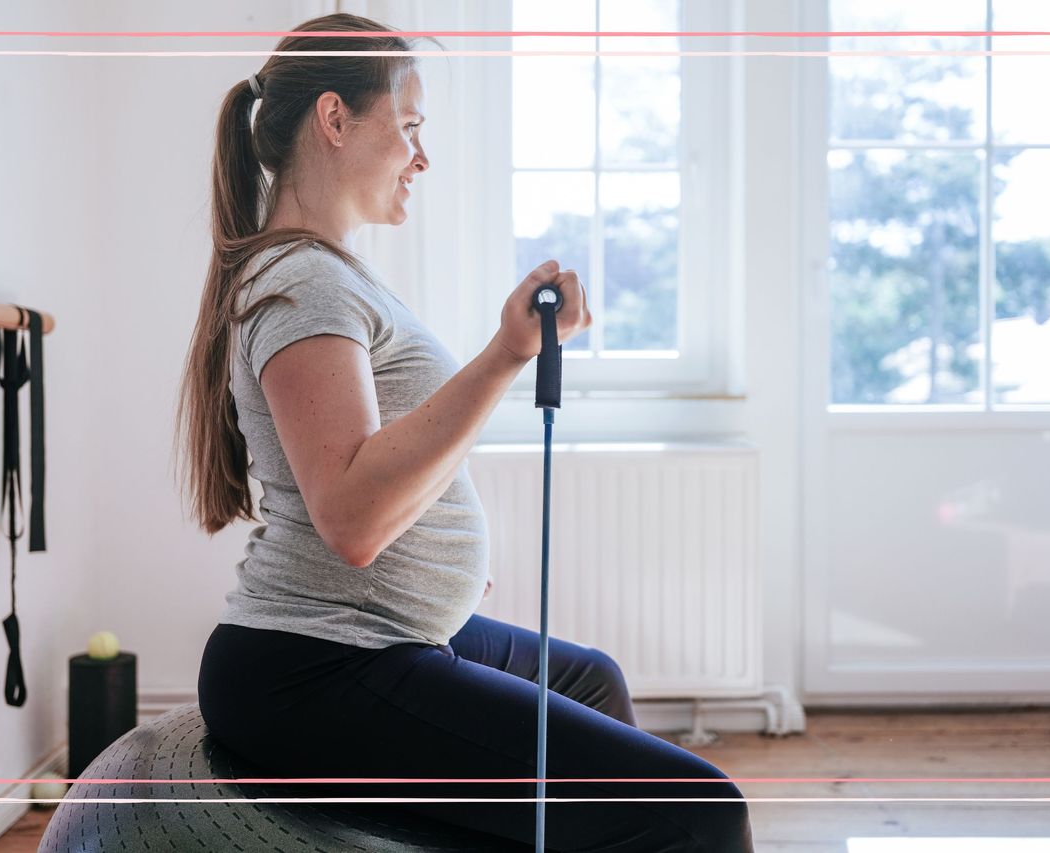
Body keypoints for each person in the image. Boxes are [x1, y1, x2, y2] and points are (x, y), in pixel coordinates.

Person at [175, 12, 755, 852]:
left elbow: (371, 472)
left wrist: (437, 560)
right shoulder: (303, 283)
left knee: (592, 682)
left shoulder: (324, 273)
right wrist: (506, 354)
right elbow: (353, 517)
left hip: (370, 634)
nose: (422, 156)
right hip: (318, 666)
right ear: (335, 120)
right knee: (702, 809)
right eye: (408, 127)